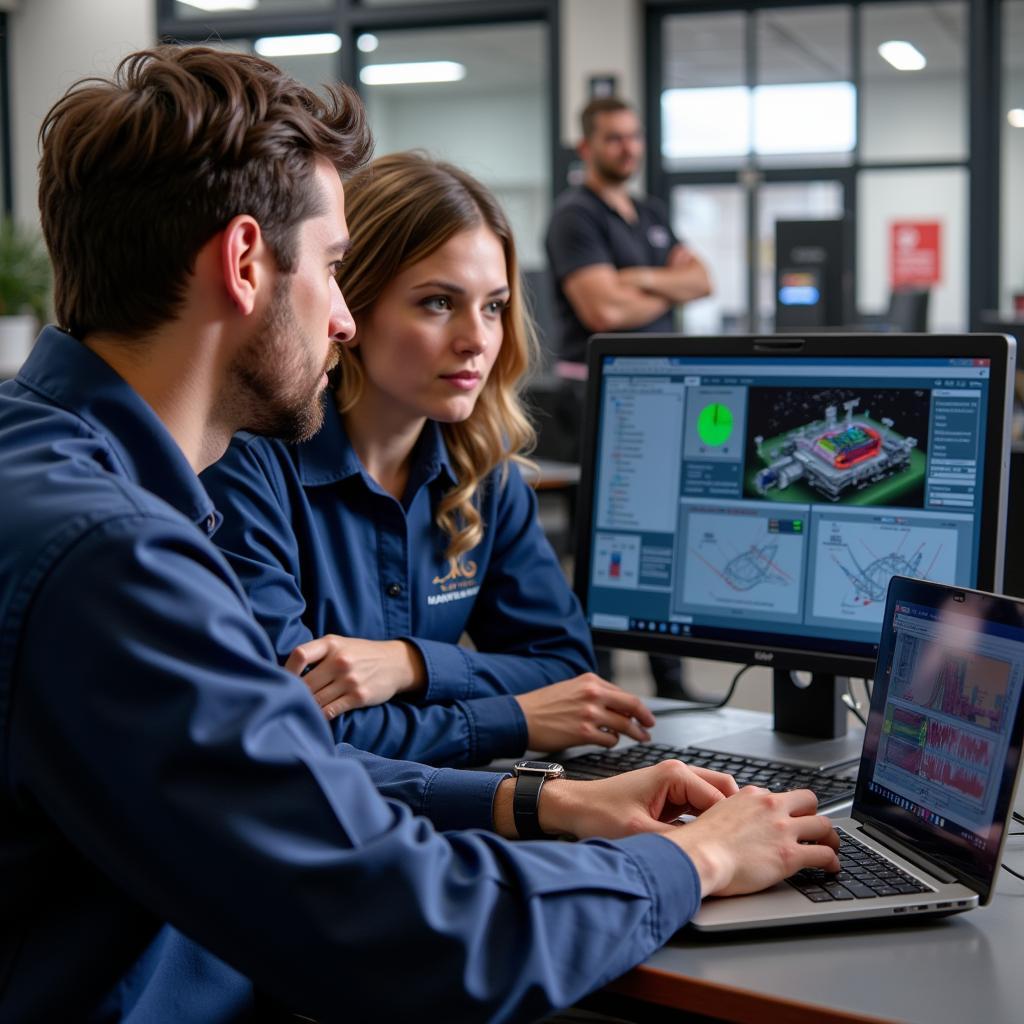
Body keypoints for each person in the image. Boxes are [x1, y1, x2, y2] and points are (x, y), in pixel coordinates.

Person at [0, 46, 839, 1023]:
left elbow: (282, 773)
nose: (345, 321)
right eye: (332, 268)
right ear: (241, 264)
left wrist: (537, 800)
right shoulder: (116, 557)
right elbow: (426, 935)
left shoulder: (48, 472)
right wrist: (690, 857)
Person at [202, 151, 655, 760]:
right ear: (351, 303)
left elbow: (569, 672)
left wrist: (412, 665)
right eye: (438, 302)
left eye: (493, 306)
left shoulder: (483, 471)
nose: (477, 340)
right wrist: (512, 720)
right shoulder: (250, 467)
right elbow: (299, 736)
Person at [545, 95, 712, 701]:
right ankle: (604, 685)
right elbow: (602, 310)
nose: (628, 148)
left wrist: (636, 280)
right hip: (597, 399)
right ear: (587, 147)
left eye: (634, 137)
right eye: (614, 138)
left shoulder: (649, 211)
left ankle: (675, 684)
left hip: (663, 396)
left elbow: (703, 278)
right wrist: (665, 288)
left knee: (668, 538)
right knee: (609, 544)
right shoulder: (575, 217)